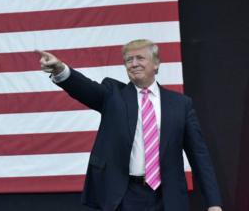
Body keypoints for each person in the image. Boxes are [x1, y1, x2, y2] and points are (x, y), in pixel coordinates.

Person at [37, 39, 222, 211]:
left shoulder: (181, 105)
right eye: (128, 60)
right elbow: (85, 88)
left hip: (167, 198)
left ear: (156, 64)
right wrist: (60, 69)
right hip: (124, 196)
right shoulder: (112, 95)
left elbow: (199, 156)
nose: (133, 64)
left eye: (140, 58)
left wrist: (213, 203)